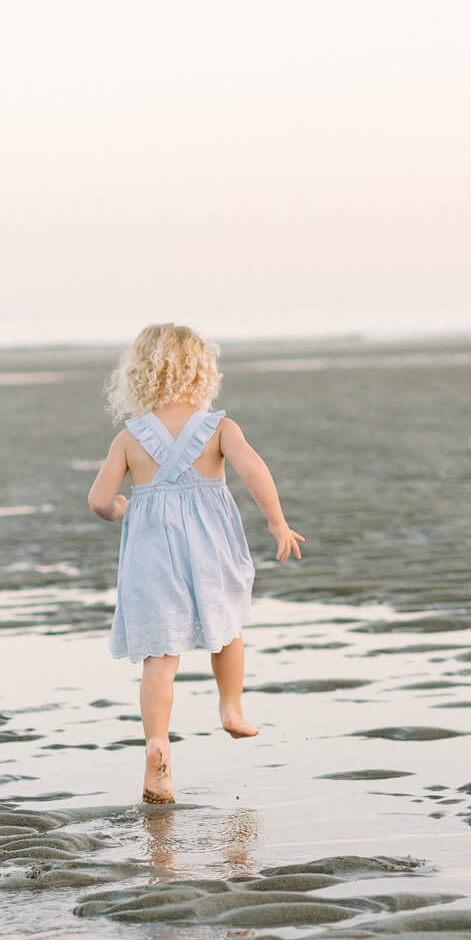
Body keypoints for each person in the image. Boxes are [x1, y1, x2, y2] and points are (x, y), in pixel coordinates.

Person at [88, 322, 304, 805]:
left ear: (140, 373)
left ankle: (157, 747)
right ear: (202, 371)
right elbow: (254, 469)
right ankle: (230, 709)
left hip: (151, 559)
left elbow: (99, 500)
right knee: (226, 629)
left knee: (159, 658)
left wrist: (120, 508)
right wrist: (277, 523)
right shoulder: (220, 428)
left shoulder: (130, 438)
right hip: (211, 551)